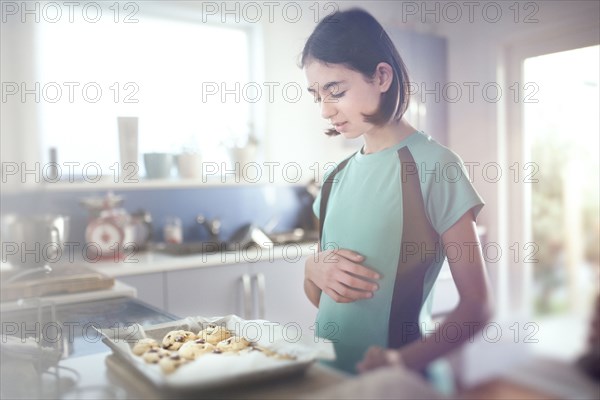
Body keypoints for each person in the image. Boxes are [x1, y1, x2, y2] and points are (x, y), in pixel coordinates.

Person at [300, 8, 493, 375]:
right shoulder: (334, 177)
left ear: (382, 76)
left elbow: (477, 305)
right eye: (316, 95)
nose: (325, 110)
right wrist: (311, 272)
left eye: (335, 91)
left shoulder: (437, 166)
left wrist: (398, 362)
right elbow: (327, 298)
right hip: (329, 378)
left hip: (399, 383)